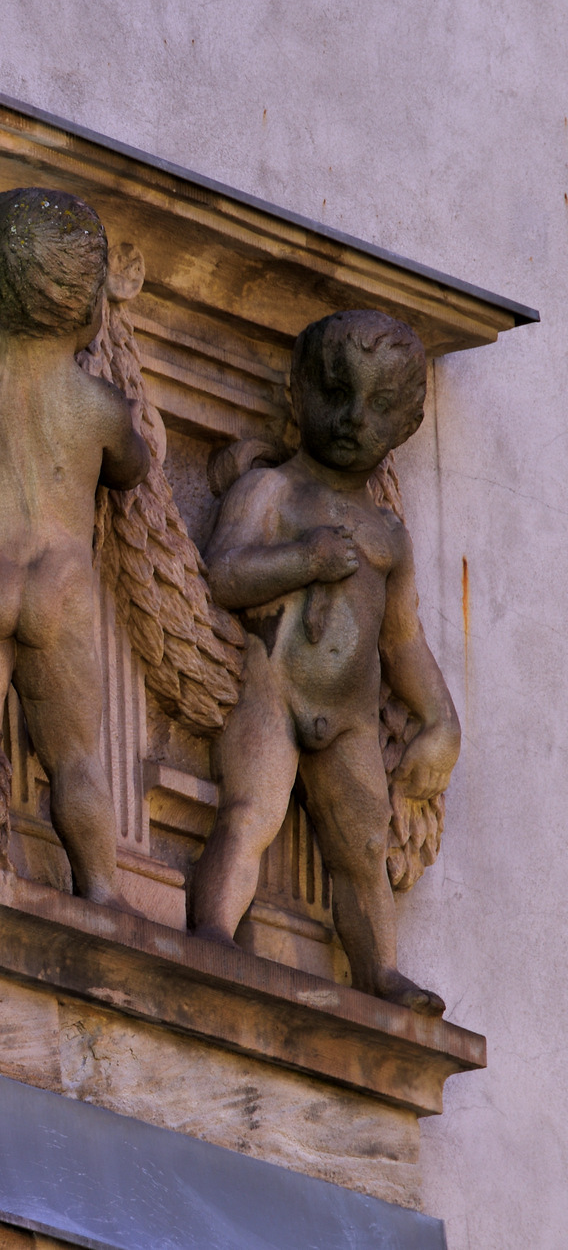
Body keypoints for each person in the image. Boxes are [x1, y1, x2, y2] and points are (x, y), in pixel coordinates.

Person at [188, 310, 457, 1015]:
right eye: (335, 393)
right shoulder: (270, 492)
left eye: (378, 404)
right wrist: (303, 558)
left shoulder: (388, 535)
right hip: (273, 693)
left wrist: (441, 720)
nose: (352, 418)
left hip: (349, 720)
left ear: (406, 425)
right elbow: (223, 574)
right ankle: (214, 929)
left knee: (363, 851)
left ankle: (380, 970)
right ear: (296, 393)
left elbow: (402, 642)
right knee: (250, 813)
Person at [0, 187, 150, 907]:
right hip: (62, 585)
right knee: (77, 759)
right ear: (89, 307)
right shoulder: (98, 407)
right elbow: (133, 467)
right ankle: (102, 887)